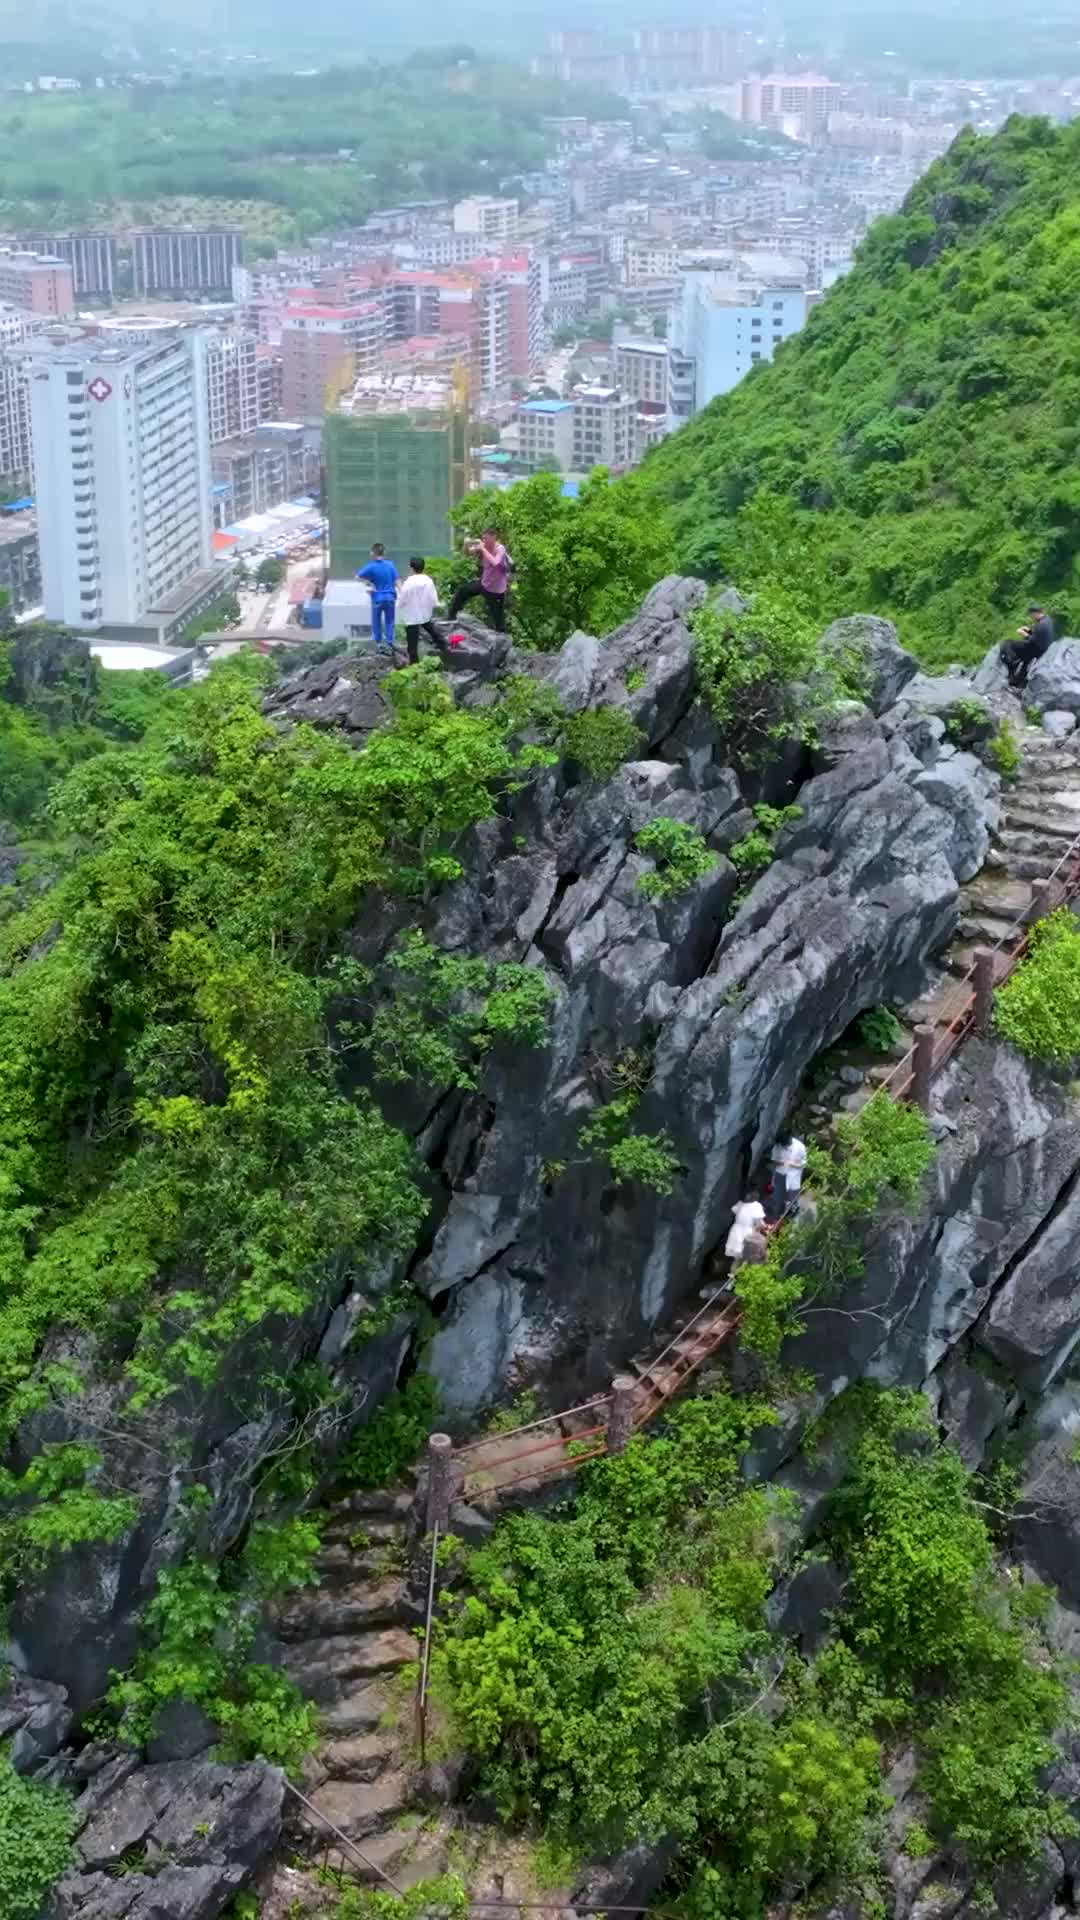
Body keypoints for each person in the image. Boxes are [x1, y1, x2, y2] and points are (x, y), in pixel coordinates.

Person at [447, 527, 513, 632]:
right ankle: (451, 616)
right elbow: (467, 553)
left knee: (498, 619)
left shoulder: (500, 548)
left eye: (486, 538)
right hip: (484, 584)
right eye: (483, 538)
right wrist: (466, 543)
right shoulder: (483, 547)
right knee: (463, 590)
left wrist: (483, 549)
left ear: (493, 537)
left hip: (496, 591)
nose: (484, 541)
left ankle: (502, 639)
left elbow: (495, 562)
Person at [396, 556, 443, 666]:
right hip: (425, 614)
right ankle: (443, 645)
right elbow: (434, 600)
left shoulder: (408, 582)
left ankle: (414, 665)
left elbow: (402, 600)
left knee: (412, 645)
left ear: (411, 568)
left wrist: (398, 603)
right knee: (431, 630)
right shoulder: (428, 581)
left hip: (412, 617)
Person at [355, 542, 399, 654]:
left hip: (377, 598)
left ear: (373, 553)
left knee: (376, 621)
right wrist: (402, 592)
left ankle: (379, 644)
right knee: (390, 621)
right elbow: (397, 580)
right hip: (390, 597)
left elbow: (357, 577)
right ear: (384, 552)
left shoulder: (371, 566)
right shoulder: (391, 565)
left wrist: (369, 583)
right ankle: (389, 643)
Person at [1000, 603, 1054, 690]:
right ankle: (1017, 682)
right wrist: (1029, 630)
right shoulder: (1047, 620)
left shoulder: (1041, 625)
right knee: (1025, 661)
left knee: (1007, 644)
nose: (1031, 617)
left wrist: (1024, 634)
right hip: (1043, 649)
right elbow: (1039, 635)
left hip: (1036, 649)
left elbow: (1033, 640)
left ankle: (1012, 665)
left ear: (1035, 613)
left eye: (1031, 615)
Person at [769, 1130, 807, 1220]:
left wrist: (792, 1164)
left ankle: (792, 1213)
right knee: (778, 1198)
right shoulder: (777, 1146)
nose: (784, 1146)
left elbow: (803, 1163)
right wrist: (781, 1163)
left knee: (792, 1197)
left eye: (786, 1143)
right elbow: (774, 1161)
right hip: (780, 1174)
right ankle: (776, 1217)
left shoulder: (800, 1147)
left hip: (793, 1177)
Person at [724, 1195, 766, 1264]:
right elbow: (760, 1224)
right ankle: (736, 1269)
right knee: (742, 1253)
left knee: (735, 1250)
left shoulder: (741, 1203)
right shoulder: (757, 1206)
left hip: (736, 1228)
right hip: (747, 1232)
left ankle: (731, 1268)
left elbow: (734, 1210)